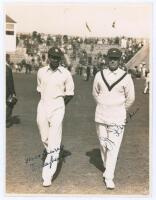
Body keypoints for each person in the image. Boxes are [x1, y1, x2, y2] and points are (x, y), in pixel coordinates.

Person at [92, 48, 135, 189]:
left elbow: (130, 98)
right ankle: (107, 167)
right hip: (101, 116)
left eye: (115, 58)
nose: (113, 60)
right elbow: (95, 94)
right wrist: (104, 105)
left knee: (113, 147)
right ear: (106, 58)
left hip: (117, 118)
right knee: (104, 144)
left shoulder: (126, 77)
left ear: (120, 60)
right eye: (111, 58)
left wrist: (120, 110)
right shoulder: (99, 75)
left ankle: (109, 176)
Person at [36, 47, 74, 187]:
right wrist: (46, 103)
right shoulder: (41, 72)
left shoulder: (65, 73)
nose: (55, 60)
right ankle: (53, 151)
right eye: (52, 57)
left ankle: (47, 175)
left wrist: (60, 105)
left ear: (60, 59)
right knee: (44, 137)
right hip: (43, 105)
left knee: (54, 140)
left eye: (57, 58)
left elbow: (70, 93)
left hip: (58, 107)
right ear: (48, 57)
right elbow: (39, 90)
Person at [6, 54, 17, 128]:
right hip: (6, 91)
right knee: (9, 105)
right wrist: (13, 93)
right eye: (9, 58)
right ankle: (5, 120)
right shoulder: (7, 68)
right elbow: (10, 81)